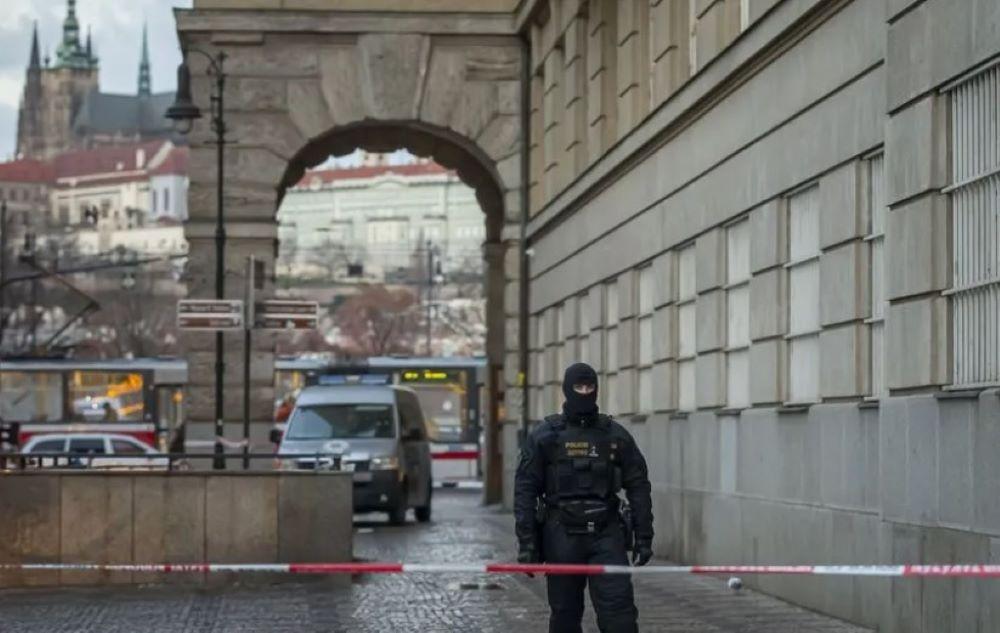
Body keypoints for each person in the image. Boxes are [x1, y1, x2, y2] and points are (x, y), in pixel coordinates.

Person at [514, 362, 654, 633]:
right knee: (565, 615)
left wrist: (644, 536)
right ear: (567, 389)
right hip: (561, 534)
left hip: (606, 533)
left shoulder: (615, 436)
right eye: (579, 387)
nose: (585, 392)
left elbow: (638, 485)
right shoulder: (545, 437)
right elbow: (525, 490)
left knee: (620, 615)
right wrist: (527, 543)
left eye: (590, 387)